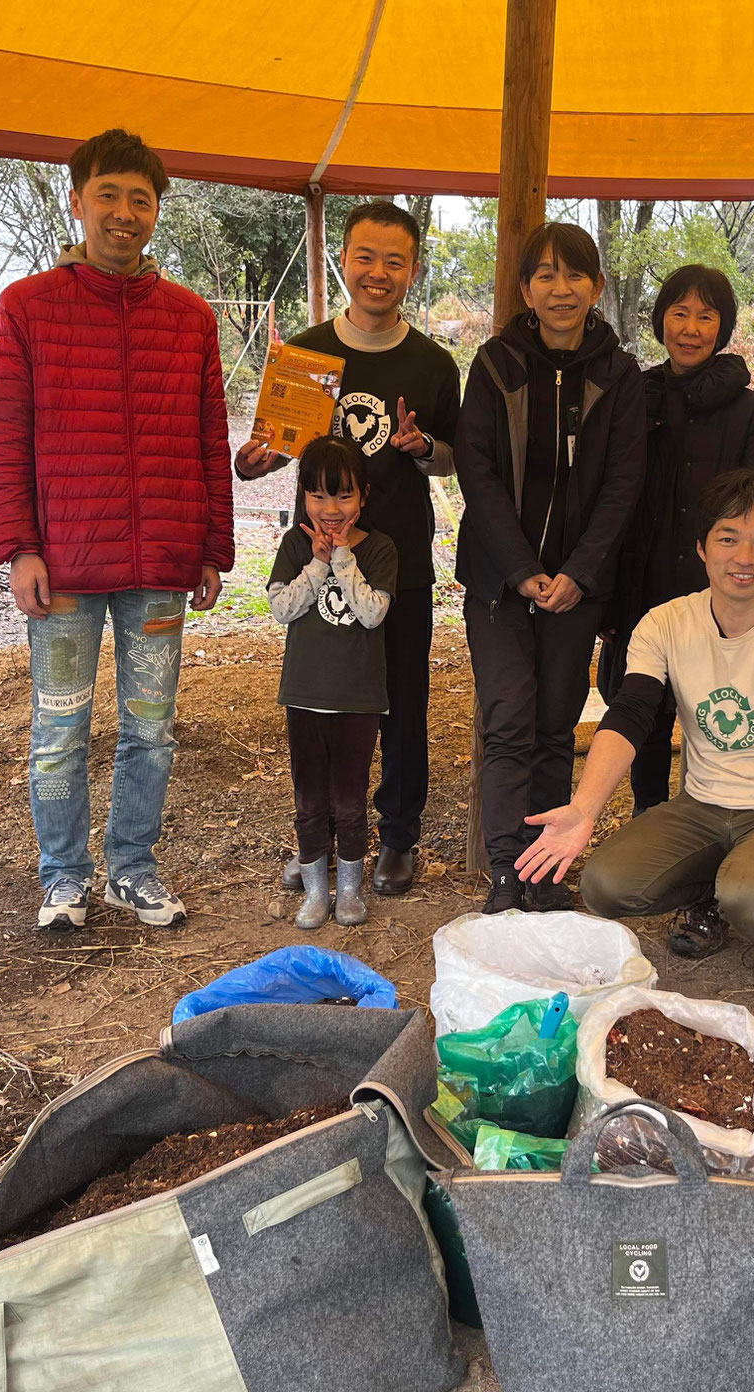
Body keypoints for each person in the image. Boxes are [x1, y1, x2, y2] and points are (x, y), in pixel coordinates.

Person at [0, 128, 233, 932]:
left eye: (141, 200)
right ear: (78, 201)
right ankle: (63, 876)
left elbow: (208, 434)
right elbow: (3, 434)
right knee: (59, 729)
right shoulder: (27, 307)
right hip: (63, 565)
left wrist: (210, 546)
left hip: (161, 561)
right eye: (110, 196)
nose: (125, 214)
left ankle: (131, 867)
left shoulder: (190, 318)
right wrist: (17, 546)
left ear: (157, 209)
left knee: (151, 731)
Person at [518, 469, 754, 995]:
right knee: (605, 885)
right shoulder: (665, 622)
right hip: (703, 802)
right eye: (728, 539)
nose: (745, 557)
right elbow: (630, 713)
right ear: (701, 548)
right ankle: (709, 893)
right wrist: (584, 810)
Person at [236, 201, 459, 897]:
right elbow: (277, 451)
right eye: (365, 257)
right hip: (318, 562)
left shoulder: (431, 364)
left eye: (395, 261)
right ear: (344, 260)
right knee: (323, 705)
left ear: (413, 270)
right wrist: (253, 461)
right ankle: (322, 840)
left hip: (399, 565)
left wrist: (422, 448)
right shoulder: (307, 353)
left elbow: (453, 459)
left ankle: (397, 838)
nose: (378, 274)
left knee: (401, 703)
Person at [455, 222, 647, 914]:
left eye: (574, 275)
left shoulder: (617, 373)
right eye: (545, 275)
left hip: (579, 585)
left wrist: (579, 573)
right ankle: (506, 869)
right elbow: (476, 472)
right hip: (500, 584)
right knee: (508, 719)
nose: (560, 289)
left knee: (555, 727)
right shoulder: (496, 364)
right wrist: (521, 569)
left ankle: (547, 870)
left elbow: (626, 481)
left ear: (595, 286)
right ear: (524, 288)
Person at [600, 264, 754, 812]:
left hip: (722, 594)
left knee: (720, 713)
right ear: (661, 322)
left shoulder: (751, 411)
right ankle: (649, 815)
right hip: (644, 580)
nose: (691, 327)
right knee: (644, 710)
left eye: (706, 316)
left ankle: (714, 819)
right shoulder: (636, 395)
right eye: (679, 313)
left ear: (722, 328)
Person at [266, 437, 398, 929]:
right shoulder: (295, 545)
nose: (331, 509)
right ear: (303, 497)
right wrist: (318, 562)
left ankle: (349, 892)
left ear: (362, 496)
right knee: (309, 800)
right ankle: (316, 891)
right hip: (304, 696)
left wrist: (342, 559)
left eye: (343, 496)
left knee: (349, 798)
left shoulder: (380, 548)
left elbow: (371, 613)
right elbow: (282, 608)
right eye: (318, 496)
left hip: (358, 701)